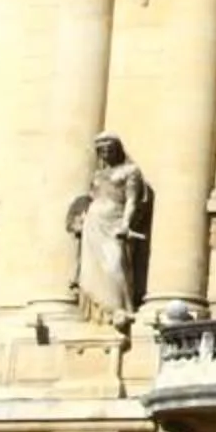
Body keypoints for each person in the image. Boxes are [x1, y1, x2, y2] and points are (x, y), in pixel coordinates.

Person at [69, 134, 150, 323]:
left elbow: (132, 200)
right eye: (102, 150)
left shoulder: (131, 171)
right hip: (93, 221)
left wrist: (126, 224)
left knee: (115, 264)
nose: (106, 153)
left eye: (109, 149)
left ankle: (121, 307)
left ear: (117, 150)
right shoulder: (98, 174)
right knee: (91, 268)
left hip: (115, 219)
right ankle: (102, 313)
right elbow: (92, 198)